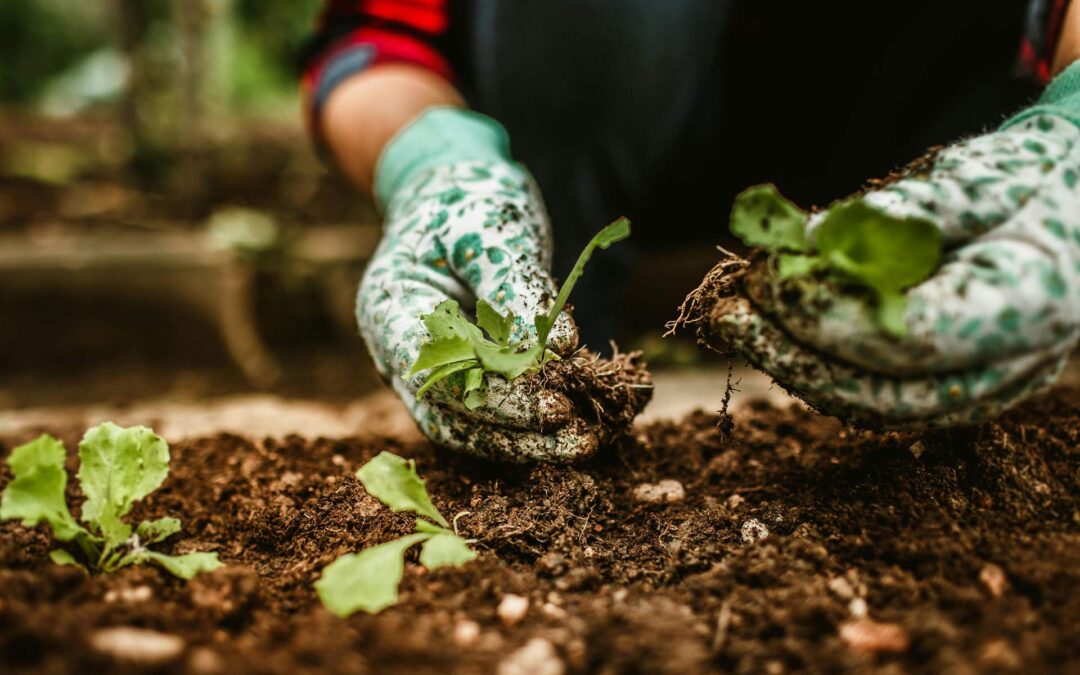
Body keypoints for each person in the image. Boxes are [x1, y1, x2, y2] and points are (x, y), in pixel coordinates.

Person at [300, 0, 1080, 461]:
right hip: (596, 131)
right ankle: (564, 370)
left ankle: (923, 295)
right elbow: (372, 42)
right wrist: (433, 162)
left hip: (932, 116)